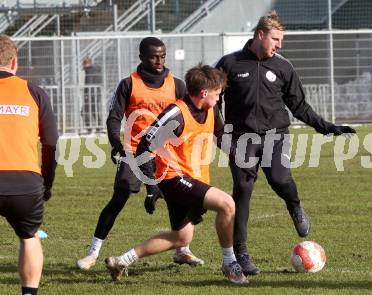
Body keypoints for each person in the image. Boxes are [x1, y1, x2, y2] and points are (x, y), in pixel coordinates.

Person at [215, 11, 356, 275]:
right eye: (276, 39)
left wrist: (326, 127)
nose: (280, 45)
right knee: (242, 190)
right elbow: (212, 100)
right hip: (241, 139)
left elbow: (299, 105)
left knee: (280, 179)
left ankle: (295, 206)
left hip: (275, 136)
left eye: (281, 40)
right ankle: (242, 255)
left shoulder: (283, 67)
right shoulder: (229, 64)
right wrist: (221, 133)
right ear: (260, 35)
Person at [104, 63, 248, 284]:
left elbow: (220, 134)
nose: (219, 99)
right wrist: (152, 186)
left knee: (181, 237)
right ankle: (230, 263)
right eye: (218, 94)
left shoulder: (211, 109)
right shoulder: (176, 114)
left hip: (192, 177)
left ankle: (122, 260)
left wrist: (240, 158)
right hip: (174, 178)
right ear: (204, 93)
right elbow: (144, 146)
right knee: (227, 204)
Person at [76, 37, 203, 270]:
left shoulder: (176, 85)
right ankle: (92, 252)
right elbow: (114, 117)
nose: (159, 60)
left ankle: (183, 249)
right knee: (120, 194)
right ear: (142, 57)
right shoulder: (128, 84)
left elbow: (189, 113)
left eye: (163, 56)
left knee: (180, 197)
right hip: (134, 151)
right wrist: (117, 143)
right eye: (154, 56)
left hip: (166, 153)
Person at [0, 35, 58, 295]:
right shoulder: (34, 92)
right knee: (30, 236)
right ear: (14, 62)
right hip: (25, 182)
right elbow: (51, 144)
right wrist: (46, 183)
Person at [82, 57, 103, 133]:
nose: (83, 67)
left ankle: (89, 128)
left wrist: (86, 94)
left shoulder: (89, 70)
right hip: (96, 93)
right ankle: (98, 126)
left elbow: (89, 82)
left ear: (87, 64)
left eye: (84, 64)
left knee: (84, 111)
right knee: (94, 110)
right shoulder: (96, 69)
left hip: (91, 94)